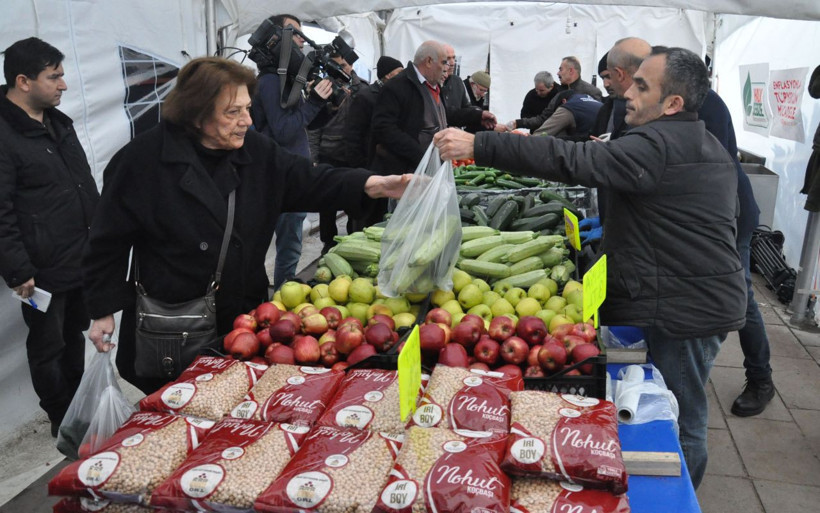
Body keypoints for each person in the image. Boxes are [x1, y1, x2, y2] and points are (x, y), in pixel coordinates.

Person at [435, 46, 747, 489]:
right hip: (682, 295)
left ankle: (672, 495)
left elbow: (572, 162)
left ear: (673, 104)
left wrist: (480, 145)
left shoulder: (657, 144)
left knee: (676, 414)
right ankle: (646, 482)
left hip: (683, 310)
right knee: (655, 403)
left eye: (642, 86)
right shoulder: (698, 139)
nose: (628, 95)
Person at [83, 57, 410, 394]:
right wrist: (103, 309)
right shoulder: (141, 161)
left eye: (247, 109)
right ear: (196, 114)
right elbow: (107, 242)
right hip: (176, 324)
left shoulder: (256, 152)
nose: (247, 121)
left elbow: (309, 180)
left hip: (244, 319)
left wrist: (376, 184)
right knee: (178, 412)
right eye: (233, 112)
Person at [0, 38, 99, 437]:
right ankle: (62, 418)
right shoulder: (4, 135)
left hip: (77, 258)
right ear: (23, 81)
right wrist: (18, 269)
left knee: (73, 335)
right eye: (53, 76)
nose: (63, 85)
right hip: (39, 271)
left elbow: (81, 185)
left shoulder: (58, 123)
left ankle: (77, 407)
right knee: (48, 346)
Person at [699, 90, 774, 417]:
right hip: (708, 212)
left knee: (740, 298)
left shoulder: (699, 99)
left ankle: (761, 379)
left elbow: (714, 159)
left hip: (730, 213)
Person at [249, 14, 333, 290]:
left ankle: (281, 292)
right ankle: (277, 294)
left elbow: (300, 125)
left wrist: (322, 104)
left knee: (290, 242)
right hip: (277, 175)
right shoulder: (272, 81)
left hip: (288, 173)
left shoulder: (284, 79)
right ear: (275, 39)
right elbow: (284, 130)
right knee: (284, 243)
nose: (300, 39)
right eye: (293, 34)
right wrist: (314, 104)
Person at [308, 53, 365, 254]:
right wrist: (314, 157)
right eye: (338, 65)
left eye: (345, 65)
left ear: (351, 66)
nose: (342, 69)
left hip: (353, 155)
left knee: (354, 200)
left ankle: (353, 240)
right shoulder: (324, 90)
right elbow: (313, 128)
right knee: (326, 203)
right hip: (328, 154)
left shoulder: (363, 89)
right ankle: (328, 243)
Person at [508, 56, 602, 132]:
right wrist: (518, 123)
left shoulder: (592, 92)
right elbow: (543, 119)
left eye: (561, 69)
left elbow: (599, 122)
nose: (557, 73)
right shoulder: (559, 93)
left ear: (571, 71)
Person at [344, 56, 403, 170]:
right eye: (399, 72)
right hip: (369, 165)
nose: (402, 76)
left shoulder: (396, 95)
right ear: (388, 75)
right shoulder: (365, 97)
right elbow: (353, 134)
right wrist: (360, 165)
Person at [440, 43, 496, 133]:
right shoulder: (433, 83)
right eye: (448, 58)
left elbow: (466, 111)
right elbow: (446, 114)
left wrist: (479, 116)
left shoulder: (457, 81)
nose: (452, 62)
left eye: (454, 58)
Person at [532, 90, 602, 140]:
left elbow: (544, 133)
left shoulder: (569, 106)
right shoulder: (591, 99)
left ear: (563, 101)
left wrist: (527, 140)